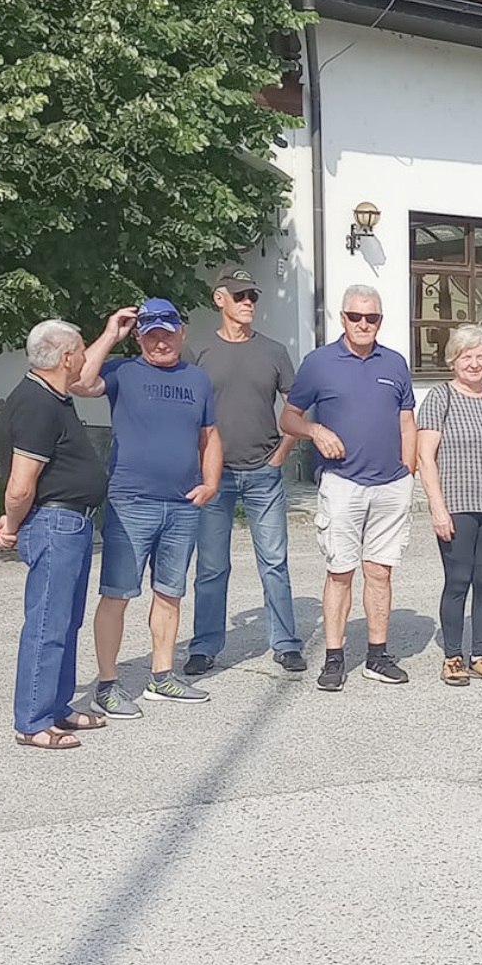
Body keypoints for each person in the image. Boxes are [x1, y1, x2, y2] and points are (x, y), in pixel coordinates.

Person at [74, 300, 222, 717]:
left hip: (182, 504)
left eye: (167, 333)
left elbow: (210, 436)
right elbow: (80, 383)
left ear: (181, 332)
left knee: (170, 593)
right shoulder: (122, 372)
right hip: (131, 502)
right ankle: (107, 686)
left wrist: (211, 482)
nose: (161, 342)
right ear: (139, 336)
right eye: (151, 334)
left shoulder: (197, 379)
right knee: (117, 594)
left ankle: (162, 677)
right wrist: (110, 333)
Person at [280, 284, 417, 692]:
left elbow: (407, 421)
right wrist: (315, 430)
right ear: (342, 318)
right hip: (343, 484)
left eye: (371, 317)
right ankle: (334, 658)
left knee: (380, 571)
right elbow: (288, 418)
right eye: (355, 316)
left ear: (380, 321)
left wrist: (408, 473)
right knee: (340, 572)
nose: (363, 324)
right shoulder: (319, 363)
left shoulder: (394, 363)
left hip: (391, 484)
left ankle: (377, 655)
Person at [0, 320, 112, 748]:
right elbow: (21, 484)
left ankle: (57, 706)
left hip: (71, 523)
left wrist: (111, 334)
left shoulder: (53, 397)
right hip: (55, 524)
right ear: (66, 358)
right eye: (81, 350)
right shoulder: (37, 404)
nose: (84, 358)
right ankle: (33, 720)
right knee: (47, 623)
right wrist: (10, 524)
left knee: (66, 621)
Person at [184, 266, 305, 676]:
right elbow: (184, 412)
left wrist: (282, 453)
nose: (249, 301)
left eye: (252, 295)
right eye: (240, 296)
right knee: (211, 566)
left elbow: (297, 407)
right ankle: (205, 646)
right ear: (220, 300)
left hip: (263, 472)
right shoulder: (197, 352)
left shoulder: (274, 351)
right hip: (214, 477)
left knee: (274, 561)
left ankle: (285, 643)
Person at [417, 324, 482, 687]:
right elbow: (425, 457)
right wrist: (437, 508)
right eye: (467, 356)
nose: (475, 363)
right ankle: (452, 657)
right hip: (457, 507)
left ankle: (481, 655)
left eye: (481, 356)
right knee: (459, 580)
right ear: (454, 360)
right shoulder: (440, 397)